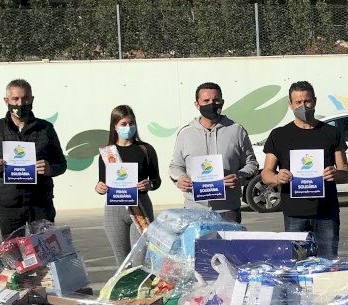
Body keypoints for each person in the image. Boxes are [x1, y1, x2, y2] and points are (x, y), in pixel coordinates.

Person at [261, 81, 348, 257]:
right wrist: (278, 178)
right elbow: (266, 174)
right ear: (290, 104)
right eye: (298, 102)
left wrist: (336, 174)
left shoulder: (331, 133)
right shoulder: (279, 135)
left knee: (328, 262)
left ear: (314, 101)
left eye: (307, 101)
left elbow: (345, 172)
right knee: (298, 264)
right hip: (294, 213)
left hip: (326, 212)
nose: (303, 106)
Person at [0, 79, 68, 238]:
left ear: (32, 99)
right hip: (8, 204)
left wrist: (49, 169)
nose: (20, 103)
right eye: (15, 99)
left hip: (40, 202)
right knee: (13, 250)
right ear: (6, 101)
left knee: (44, 248)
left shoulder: (46, 128)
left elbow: (61, 164)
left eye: (25, 99)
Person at [169, 82, 259, 222]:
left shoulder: (237, 131)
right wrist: (180, 178)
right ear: (197, 104)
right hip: (194, 210)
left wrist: (239, 177)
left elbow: (252, 164)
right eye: (206, 101)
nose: (211, 104)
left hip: (228, 210)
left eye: (216, 100)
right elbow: (175, 166)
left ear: (222, 102)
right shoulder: (185, 133)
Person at [95, 105, 162, 262]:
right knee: (122, 262)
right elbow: (102, 182)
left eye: (131, 123)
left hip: (141, 207)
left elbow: (156, 180)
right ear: (115, 126)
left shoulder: (146, 150)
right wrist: (99, 187)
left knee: (139, 260)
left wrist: (149, 184)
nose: (128, 127)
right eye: (123, 124)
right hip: (114, 211)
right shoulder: (107, 153)